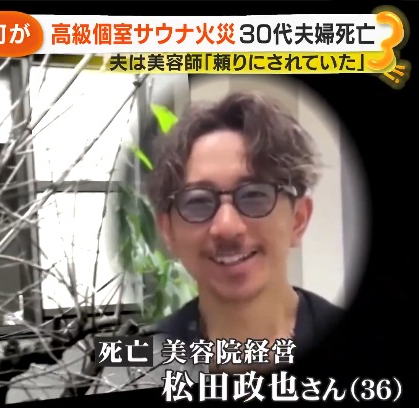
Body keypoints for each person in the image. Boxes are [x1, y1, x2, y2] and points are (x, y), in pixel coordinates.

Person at [145, 91, 344, 376]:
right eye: (198, 201)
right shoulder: (141, 362)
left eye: (254, 196)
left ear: (298, 220)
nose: (227, 227)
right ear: (168, 231)